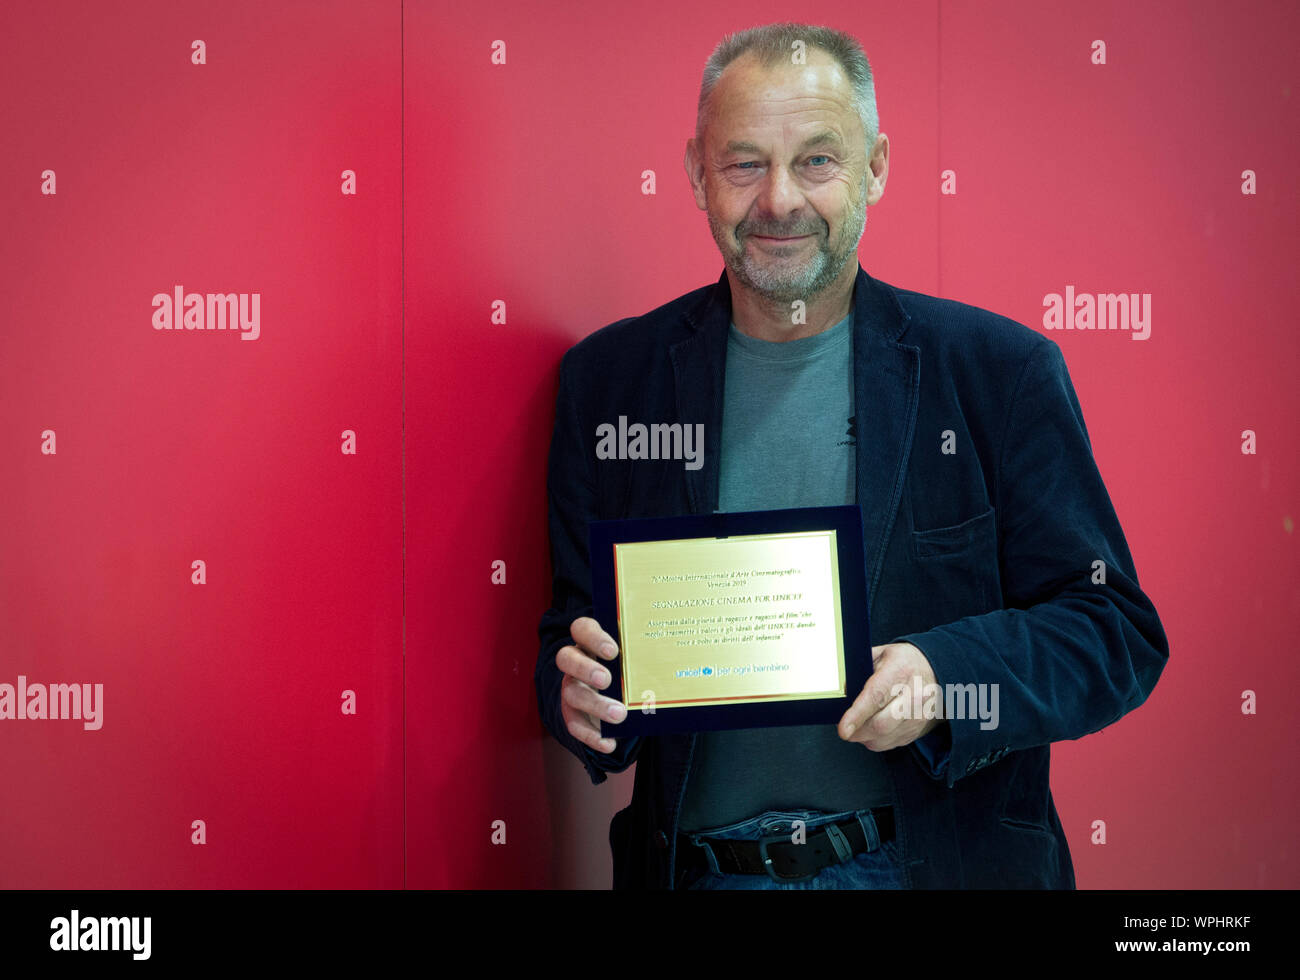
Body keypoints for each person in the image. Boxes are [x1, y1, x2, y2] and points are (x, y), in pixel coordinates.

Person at [534, 22, 1168, 889]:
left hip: (929, 869)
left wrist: (946, 676)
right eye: (744, 163)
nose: (780, 200)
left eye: (818, 161)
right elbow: (574, 637)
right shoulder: (610, 381)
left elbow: (1115, 633)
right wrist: (575, 694)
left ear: (875, 168)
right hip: (695, 873)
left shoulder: (997, 373)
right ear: (695, 175)